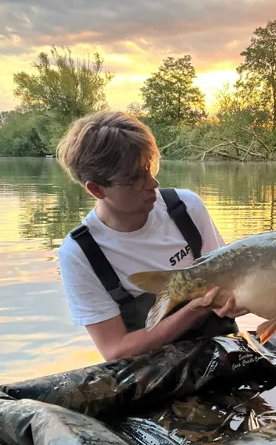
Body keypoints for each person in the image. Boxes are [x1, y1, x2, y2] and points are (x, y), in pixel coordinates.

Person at [56, 110, 248, 361]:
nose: (152, 184)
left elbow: (231, 288)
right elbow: (116, 350)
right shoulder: (80, 253)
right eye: (135, 179)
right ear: (97, 190)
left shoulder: (185, 207)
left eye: (150, 167)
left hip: (225, 355)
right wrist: (196, 309)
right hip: (149, 373)